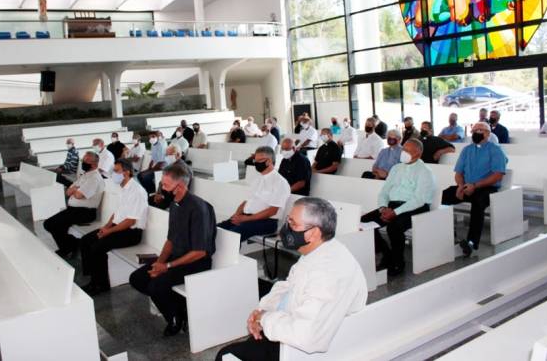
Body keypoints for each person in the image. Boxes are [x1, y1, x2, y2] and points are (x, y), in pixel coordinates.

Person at [215, 198, 368, 361]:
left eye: (292, 224)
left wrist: (265, 319)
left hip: (301, 350)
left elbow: (307, 335)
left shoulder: (329, 273)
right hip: (289, 328)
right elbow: (289, 286)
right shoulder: (319, 250)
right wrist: (262, 311)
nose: (286, 228)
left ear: (313, 233)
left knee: (226, 356)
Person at [129, 162, 216, 337]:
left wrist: (167, 267)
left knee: (157, 286)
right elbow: (171, 239)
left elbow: (200, 251)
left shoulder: (198, 209)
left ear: (181, 186)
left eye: (166, 186)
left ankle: (174, 318)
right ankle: (178, 309)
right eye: (162, 184)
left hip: (197, 262)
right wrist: (159, 263)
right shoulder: (175, 204)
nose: (162, 190)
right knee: (137, 278)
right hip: (177, 257)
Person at [361, 139, 436, 275]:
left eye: (408, 151)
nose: (403, 153)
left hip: (416, 208)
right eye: (403, 149)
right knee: (364, 222)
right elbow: (384, 192)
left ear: (418, 154)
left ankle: (398, 263)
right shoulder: (396, 168)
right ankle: (386, 254)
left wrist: (395, 212)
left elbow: (418, 199)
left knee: (394, 227)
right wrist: (383, 208)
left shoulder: (425, 171)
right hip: (392, 205)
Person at [80, 159, 148, 296]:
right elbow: (117, 213)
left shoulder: (137, 191)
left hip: (131, 233)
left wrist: (108, 231)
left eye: (116, 171)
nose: (113, 174)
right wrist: (105, 227)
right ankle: (93, 276)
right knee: (85, 240)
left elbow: (130, 221)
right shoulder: (123, 188)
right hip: (118, 228)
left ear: (126, 172)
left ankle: (100, 284)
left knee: (97, 248)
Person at [441, 122, 507, 257]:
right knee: (443, 195)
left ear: (488, 134)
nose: (476, 132)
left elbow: (497, 175)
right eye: (474, 130)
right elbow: (458, 173)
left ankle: (471, 242)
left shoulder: (495, 150)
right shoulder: (467, 150)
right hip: (466, 187)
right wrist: (460, 186)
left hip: (486, 188)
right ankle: (448, 234)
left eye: (480, 130)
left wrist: (475, 186)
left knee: (478, 203)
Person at [219, 146, 290, 241]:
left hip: (266, 222)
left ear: (269, 161)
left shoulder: (280, 182)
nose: (256, 163)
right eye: (255, 160)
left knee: (232, 236)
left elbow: (272, 211)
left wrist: (244, 219)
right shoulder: (257, 179)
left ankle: (227, 255)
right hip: (247, 217)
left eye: (259, 160)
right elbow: (246, 202)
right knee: (217, 228)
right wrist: (236, 216)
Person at [44, 152, 105, 258]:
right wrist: (74, 189)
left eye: (86, 161)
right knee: (51, 224)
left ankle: (70, 247)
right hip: (74, 210)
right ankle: (72, 245)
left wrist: (75, 189)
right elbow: (68, 192)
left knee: (51, 224)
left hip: (85, 212)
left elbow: (78, 195)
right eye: (83, 160)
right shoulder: (85, 175)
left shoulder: (94, 178)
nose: (83, 163)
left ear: (94, 164)